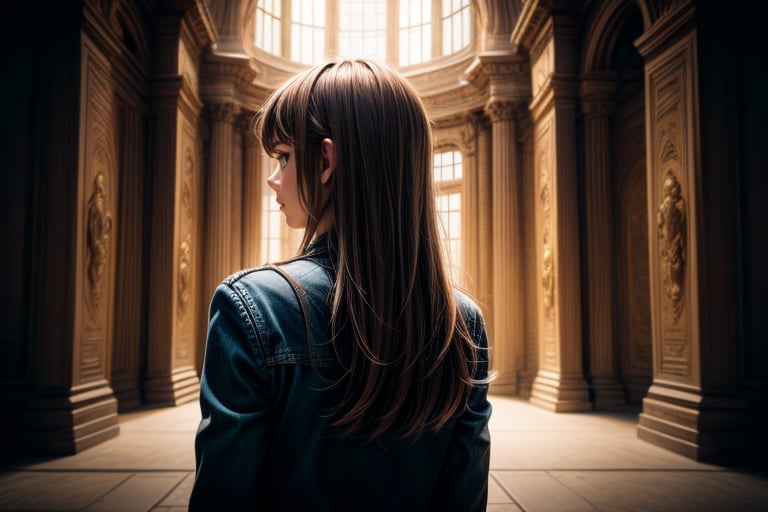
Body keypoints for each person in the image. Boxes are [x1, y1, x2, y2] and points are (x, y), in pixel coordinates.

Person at [189, 58, 492, 511]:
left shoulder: (250, 307)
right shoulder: (463, 323)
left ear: (326, 160)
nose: (274, 179)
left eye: (284, 157)